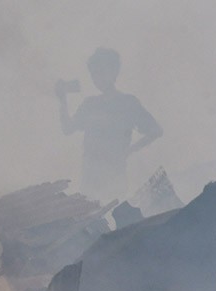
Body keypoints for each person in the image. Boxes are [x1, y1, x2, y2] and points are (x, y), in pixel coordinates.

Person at [56, 48, 163, 201]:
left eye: (101, 72)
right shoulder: (90, 104)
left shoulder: (128, 103)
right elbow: (68, 129)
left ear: (114, 72)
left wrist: (129, 150)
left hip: (114, 177)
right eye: (94, 73)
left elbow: (156, 130)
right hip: (90, 178)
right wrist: (62, 99)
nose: (97, 78)